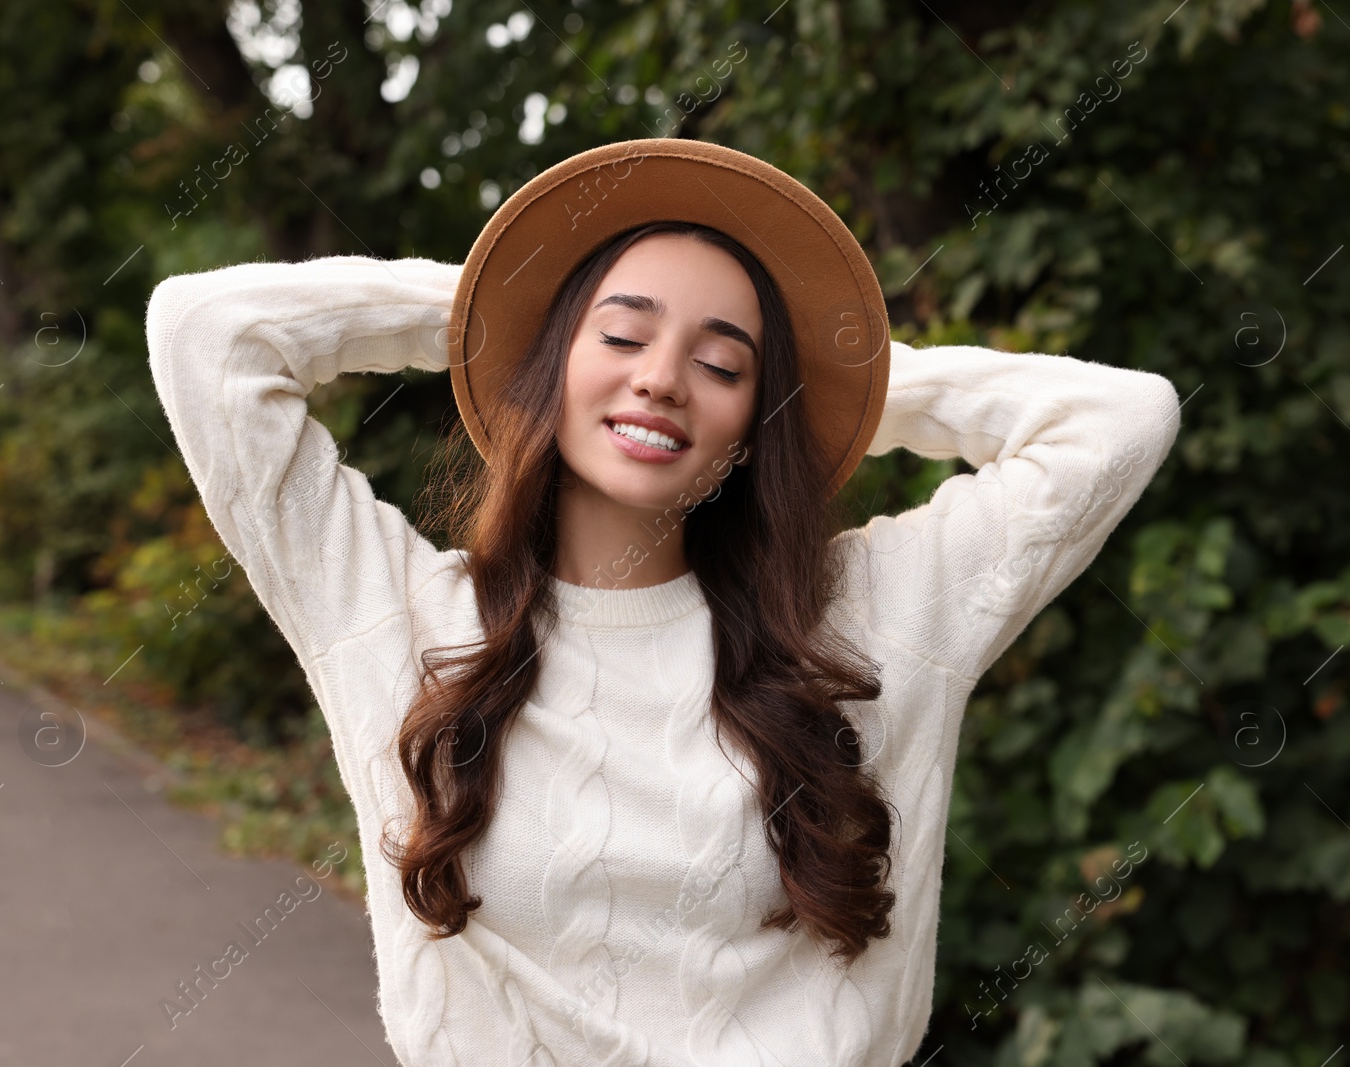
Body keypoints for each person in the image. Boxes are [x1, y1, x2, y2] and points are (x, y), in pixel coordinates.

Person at [145, 138, 1180, 1067]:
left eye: (722, 362)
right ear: (551, 362)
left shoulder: (862, 623)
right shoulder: (402, 617)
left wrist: (837, 380)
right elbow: (206, 330)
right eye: (621, 336)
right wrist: (500, 304)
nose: (662, 379)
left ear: (754, 413)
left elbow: (1121, 417)